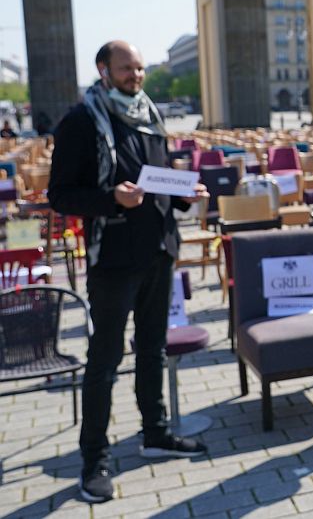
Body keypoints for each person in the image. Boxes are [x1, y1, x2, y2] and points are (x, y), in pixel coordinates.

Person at [49, 41, 208, 504]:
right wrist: (109, 200)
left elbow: (156, 176)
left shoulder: (149, 114)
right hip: (114, 258)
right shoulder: (81, 121)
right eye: (126, 68)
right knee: (104, 361)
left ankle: (155, 434)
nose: (136, 76)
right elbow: (61, 195)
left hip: (159, 250)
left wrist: (182, 193)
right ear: (103, 70)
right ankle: (93, 459)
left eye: (139, 68)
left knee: (154, 349)